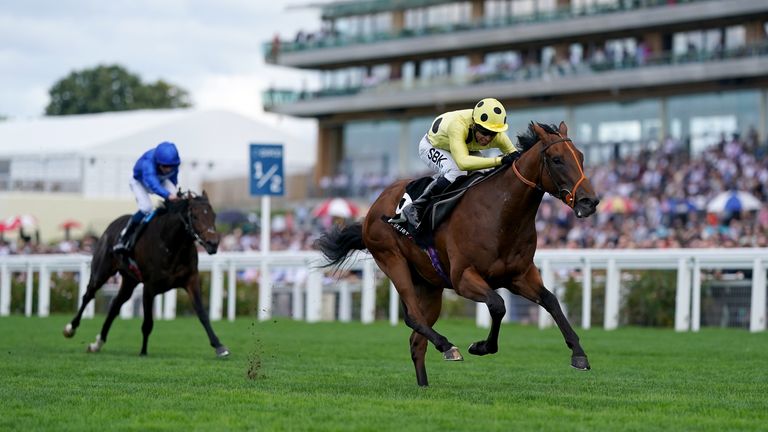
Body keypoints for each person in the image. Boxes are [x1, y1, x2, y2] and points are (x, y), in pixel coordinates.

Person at [401, 98, 521, 229]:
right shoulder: (458, 125)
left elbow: (517, 159)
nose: (488, 138)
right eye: (485, 132)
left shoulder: (499, 137)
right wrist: (500, 160)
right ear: (475, 124)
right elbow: (463, 163)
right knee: (456, 171)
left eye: (493, 134)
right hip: (433, 145)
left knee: (484, 174)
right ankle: (416, 206)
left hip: (464, 147)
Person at [113, 141, 181, 253]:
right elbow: (153, 185)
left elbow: (173, 180)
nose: (169, 169)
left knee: (176, 199)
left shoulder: (173, 164)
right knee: (146, 208)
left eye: (172, 166)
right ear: (158, 162)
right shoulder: (148, 163)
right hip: (139, 181)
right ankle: (124, 237)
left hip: (160, 180)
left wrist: (174, 194)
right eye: (165, 166)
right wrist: (168, 195)